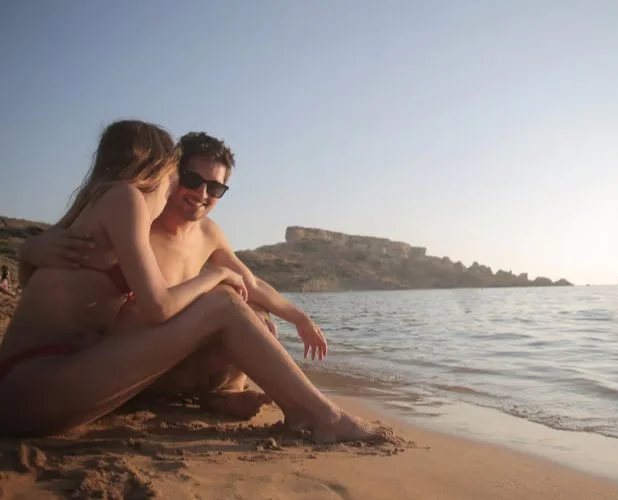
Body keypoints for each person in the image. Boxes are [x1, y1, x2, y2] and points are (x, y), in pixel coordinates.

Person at [0, 120, 388, 444]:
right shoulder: (130, 204)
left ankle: (233, 395)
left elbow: (251, 284)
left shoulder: (133, 210)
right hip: (39, 380)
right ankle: (322, 416)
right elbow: (154, 305)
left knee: (248, 312)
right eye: (186, 176)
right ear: (166, 167)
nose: (200, 193)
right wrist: (30, 248)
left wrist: (298, 318)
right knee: (222, 302)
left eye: (215, 188)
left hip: (61, 369)